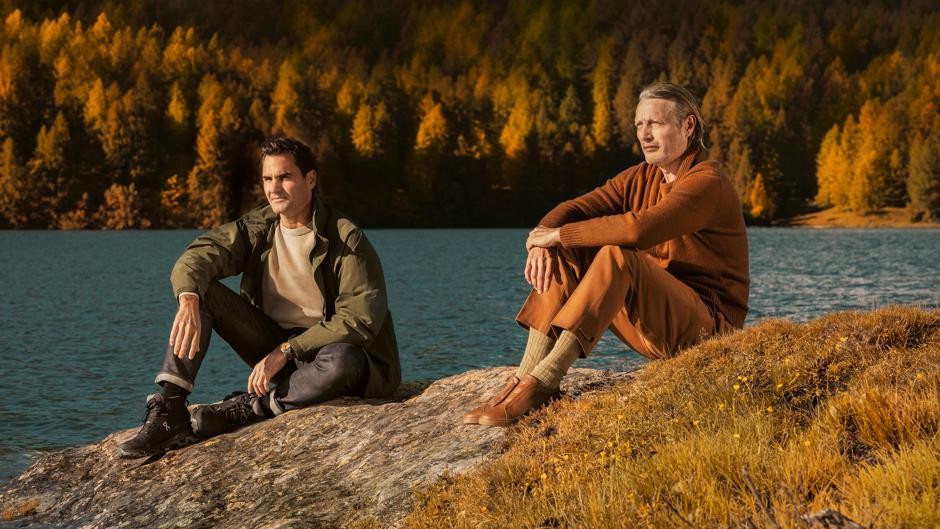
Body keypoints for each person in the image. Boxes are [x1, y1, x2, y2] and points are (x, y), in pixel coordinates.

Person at [464, 82, 749, 427]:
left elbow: (637, 231)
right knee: (570, 251)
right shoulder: (639, 178)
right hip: (658, 320)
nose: (645, 135)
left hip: (708, 328)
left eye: (655, 124)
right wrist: (541, 240)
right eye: (639, 125)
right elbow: (575, 208)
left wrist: (558, 236)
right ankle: (526, 378)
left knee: (617, 254)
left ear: (688, 126)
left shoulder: (708, 182)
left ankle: (546, 379)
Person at [118, 136, 400, 458]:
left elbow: (359, 318)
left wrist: (286, 351)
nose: (274, 188)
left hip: (328, 352)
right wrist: (188, 298)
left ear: (310, 179)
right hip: (273, 346)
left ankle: (250, 407)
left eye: (284, 177)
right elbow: (199, 255)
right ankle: (169, 412)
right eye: (267, 178)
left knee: (343, 360)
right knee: (202, 290)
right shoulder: (257, 227)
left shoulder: (346, 237)